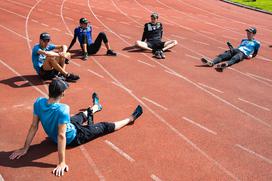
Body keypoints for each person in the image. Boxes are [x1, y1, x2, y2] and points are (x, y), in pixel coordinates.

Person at [9, 78, 143, 177]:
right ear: (61, 94)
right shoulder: (63, 109)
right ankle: (130, 119)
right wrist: (62, 162)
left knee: (78, 117)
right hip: (74, 136)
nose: (65, 94)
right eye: (65, 92)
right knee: (104, 126)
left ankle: (95, 107)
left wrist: (25, 148)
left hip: (66, 126)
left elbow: (33, 126)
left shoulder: (38, 102)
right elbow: (62, 136)